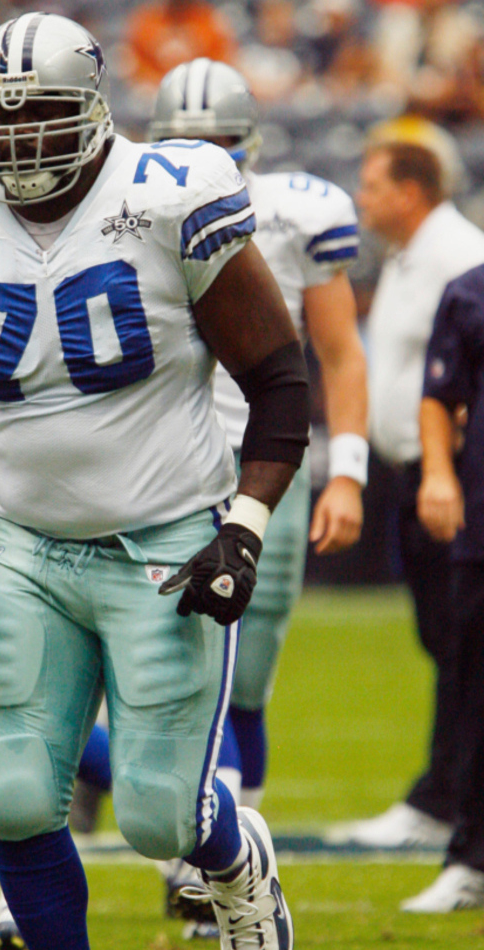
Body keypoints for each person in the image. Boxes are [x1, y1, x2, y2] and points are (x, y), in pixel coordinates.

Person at [0, 12, 310, 949]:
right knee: (19, 798)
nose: (22, 138)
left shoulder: (173, 194)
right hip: (25, 547)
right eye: (2, 120)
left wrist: (241, 528)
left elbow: (278, 381)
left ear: (93, 105)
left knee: (161, 818)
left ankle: (240, 868)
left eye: (42, 113)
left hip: (164, 543)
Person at [147, 58, 368, 936]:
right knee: (160, 675)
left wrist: (346, 466)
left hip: (268, 463)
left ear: (252, 146)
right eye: (184, 145)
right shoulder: (128, 205)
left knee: (245, 684)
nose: (204, 158)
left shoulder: (295, 211)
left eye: (221, 145)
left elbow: (339, 352)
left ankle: (233, 871)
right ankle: (197, 860)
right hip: (163, 465)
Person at [334, 141, 484, 849]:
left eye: (373, 185)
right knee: (443, 637)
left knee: (462, 639)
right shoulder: (408, 255)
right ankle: (445, 789)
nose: (363, 199)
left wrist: (443, 467)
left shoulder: (456, 255)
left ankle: (446, 796)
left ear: (413, 190)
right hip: (413, 473)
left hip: (447, 478)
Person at [401, 263, 484, 912]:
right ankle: (472, 861)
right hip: (481, 525)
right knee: (474, 692)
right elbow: (438, 394)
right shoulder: (471, 290)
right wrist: (438, 474)